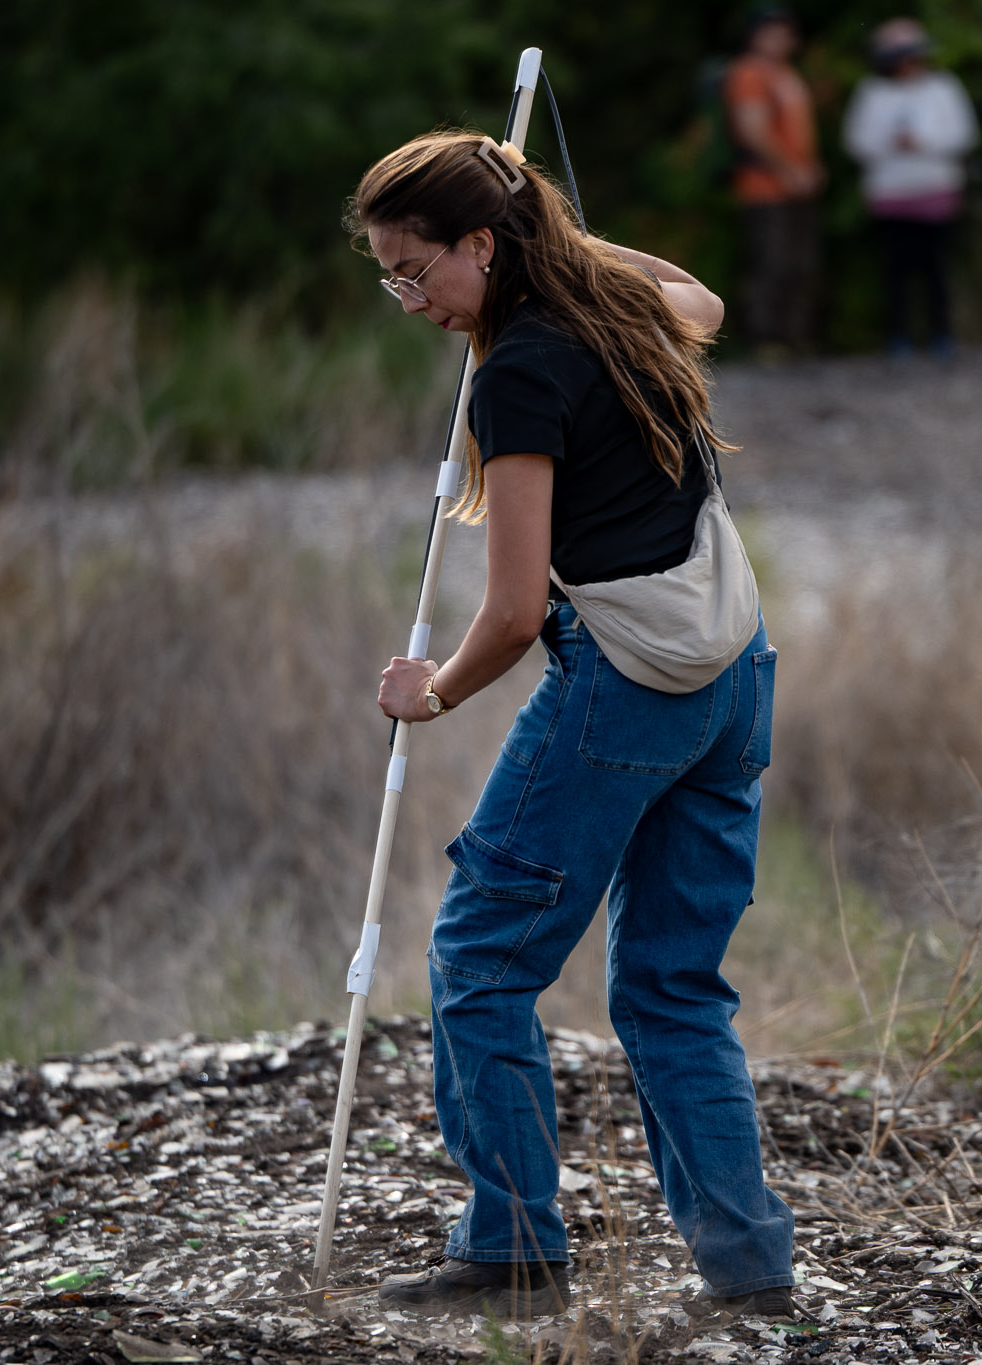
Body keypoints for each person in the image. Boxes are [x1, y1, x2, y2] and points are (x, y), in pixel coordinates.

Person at [349, 132, 796, 1320]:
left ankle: (509, 1250)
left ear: (482, 245)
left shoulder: (518, 373)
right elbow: (693, 295)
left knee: (480, 962)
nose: (407, 298)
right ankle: (749, 1273)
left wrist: (427, 692)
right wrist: (550, 231)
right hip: (732, 675)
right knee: (671, 988)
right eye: (387, 275)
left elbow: (507, 610)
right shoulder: (623, 312)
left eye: (417, 269)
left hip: (621, 688)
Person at [844, 17, 979, 359]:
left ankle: (941, 335)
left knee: (936, 268)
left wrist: (923, 141)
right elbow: (856, 140)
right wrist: (891, 142)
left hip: (935, 189)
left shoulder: (943, 87)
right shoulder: (872, 93)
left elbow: (964, 134)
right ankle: (899, 336)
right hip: (890, 194)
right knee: (895, 270)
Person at [725, 6, 825, 357]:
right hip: (765, 187)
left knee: (799, 263)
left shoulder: (787, 74)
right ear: (756, 35)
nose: (783, 39)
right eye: (774, 31)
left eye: (787, 32)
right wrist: (789, 170)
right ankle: (765, 340)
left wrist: (809, 168)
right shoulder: (749, 73)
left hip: (798, 185)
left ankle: (794, 337)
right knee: (770, 262)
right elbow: (754, 130)